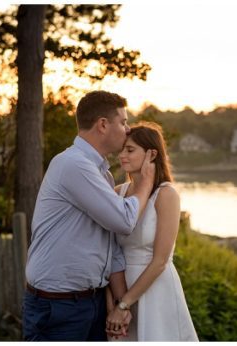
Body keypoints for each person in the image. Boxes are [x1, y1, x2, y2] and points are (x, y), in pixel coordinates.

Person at [23, 91, 156, 341]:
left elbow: (110, 244)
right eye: (123, 122)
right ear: (103, 125)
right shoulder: (73, 164)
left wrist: (120, 303)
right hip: (59, 307)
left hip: (91, 302)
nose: (127, 129)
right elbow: (125, 221)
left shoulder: (101, 174)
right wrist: (146, 183)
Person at [104, 122, 198, 341]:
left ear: (152, 154)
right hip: (119, 289)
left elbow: (160, 260)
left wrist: (125, 303)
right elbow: (108, 252)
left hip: (155, 291)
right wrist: (113, 305)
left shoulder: (166, 195)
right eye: (122, 150)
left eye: (130, 150)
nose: (122, 156)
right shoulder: (117, 192)